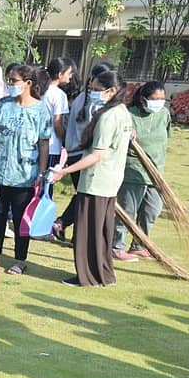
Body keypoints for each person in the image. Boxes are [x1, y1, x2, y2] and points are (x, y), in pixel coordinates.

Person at [50, 70, 131, 287]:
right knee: (101, 232)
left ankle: (87, 276)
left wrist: (65, 171)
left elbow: (97, 154)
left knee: (87, 232)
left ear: (111, 91)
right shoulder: (123, 112)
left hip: (97, 181)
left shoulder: (108, 116)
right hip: (110, 181)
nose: (93, 94)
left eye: (96, 90)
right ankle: (103, 273)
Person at [0, 64, 51, 275]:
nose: (10, 85)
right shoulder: (4, 105)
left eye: (13, 81)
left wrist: (41, 172)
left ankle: (20, 259)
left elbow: (43, 143)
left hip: (25, 175)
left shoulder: (41, 110)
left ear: (28, 84)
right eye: (9, 80)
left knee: (20, 219)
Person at [53, 61, 115, 242]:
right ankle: (64, 223)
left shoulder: (80, 97)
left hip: (73, 152)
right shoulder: (95, 103)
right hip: (84, 155)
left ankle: (73, 231)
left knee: (83, 195)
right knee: (86, 197)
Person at [111, 81, 171, 261]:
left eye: (162, 99)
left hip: (155, 172)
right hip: (134, 170)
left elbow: (166, 138)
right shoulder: (129, 115)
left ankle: (139, 244)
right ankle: (116, 246)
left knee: (152, 210)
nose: (159, 102)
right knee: (127, 211)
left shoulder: (165, 114)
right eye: (154, 99)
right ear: (143, 99)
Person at [42, 58, 75, 174]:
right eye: (69, 73)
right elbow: (57, 123)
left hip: (35, 143)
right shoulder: (59, 95)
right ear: (60, 74)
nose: (71, 76)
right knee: (47, 181)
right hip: (52, 145)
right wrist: (67, 140)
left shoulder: (39, 90)